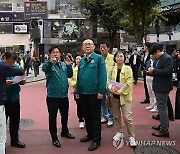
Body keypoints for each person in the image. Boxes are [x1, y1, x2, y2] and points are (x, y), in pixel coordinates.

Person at [75, 39, 107, 151]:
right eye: (85, 45)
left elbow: (103, 76)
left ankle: (96, 140)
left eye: (89, 44)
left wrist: (101, 91)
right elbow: (79, 77)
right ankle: (90, 134)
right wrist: (77, 91)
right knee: (86, 115)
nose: (87, 46)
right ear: (82, 47)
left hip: (94, 93)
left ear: (93, 46)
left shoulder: (99, 59)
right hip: (83, 93)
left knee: (95, 117)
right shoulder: (82, 60)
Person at [42, 46, 75, 148]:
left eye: (57, 52)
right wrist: (50, 62)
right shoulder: (49, 66)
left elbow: (70, 75)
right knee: (53, 117)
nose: (55, 54)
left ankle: (65, 131)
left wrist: (69, 66)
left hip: (64, 96)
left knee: (65, 115)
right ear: (50, 54)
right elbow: (45, 68)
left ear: (60, 54)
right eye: (53, 52)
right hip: (52, 97)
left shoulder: (63, 65)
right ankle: (54, 137)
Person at [108, 50, 136, 147]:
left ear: (124, 58)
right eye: (118, 56)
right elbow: (107, 80)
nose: (119, 58)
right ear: (115, 58)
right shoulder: (111, 69)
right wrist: (111, 89)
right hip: (113, 96)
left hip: (124, 97)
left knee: (128, 117)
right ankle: (119, 132)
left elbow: (129, 82)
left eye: (121, 56)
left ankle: (132, 136)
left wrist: (119, 91)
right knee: (116, 116)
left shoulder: (128, 69)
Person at [0, 51, 25, 154]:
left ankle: (15, 140)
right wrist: (5, 83)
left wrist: (22, 80)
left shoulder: (15, 67)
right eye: (9, 62)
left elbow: (22, 76)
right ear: (4, 58)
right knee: (2, 124)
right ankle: (2, 143)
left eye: (12, 62)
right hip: (4, 100)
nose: (11, 64)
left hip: (15, 97)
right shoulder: (1, 66)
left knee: (15, 121)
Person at [148, 43, 173, 137]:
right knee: (162, 107)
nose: (153, 56)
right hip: (159, 86)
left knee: (162, 108)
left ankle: (164, 129)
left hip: (163, 87)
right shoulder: (161, 58)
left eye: (154, 54)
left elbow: (167, 72)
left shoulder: (167, 58)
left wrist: (154, 71)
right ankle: (163, 125)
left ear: (158, 51)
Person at [99, 41, 115, 127]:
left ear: (108, 48)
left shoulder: (112, 58)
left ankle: (111, 118)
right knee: (102, 101)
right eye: (101, 47)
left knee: (111, 102)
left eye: (104, 47)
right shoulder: (98, 58)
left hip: (110, 84)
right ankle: (105, 116)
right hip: (101, 84)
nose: (102, 49)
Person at [68, 54, 85, 129]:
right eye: (77, 59)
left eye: (79, 59)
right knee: (79, 105)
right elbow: (69, 79)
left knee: (86, 105)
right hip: (77, 91)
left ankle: (87, 119)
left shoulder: (85, 69)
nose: (78, 60)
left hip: (86, 90)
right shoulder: (73, 70)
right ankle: (81, 120)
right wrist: (75, 84)